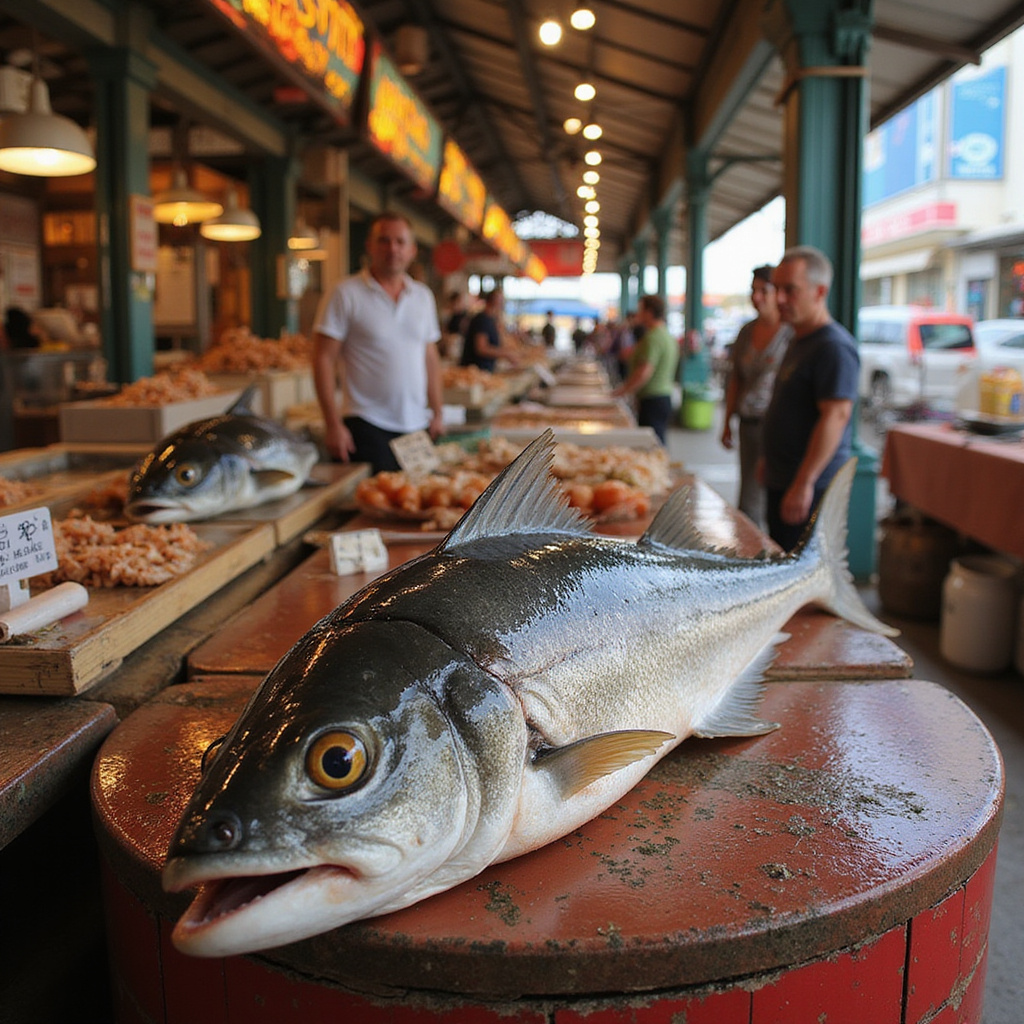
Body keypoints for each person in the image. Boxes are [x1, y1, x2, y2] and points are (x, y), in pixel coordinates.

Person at [312, 211, 444, 474]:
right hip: (366, 424)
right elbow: (322, 359)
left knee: (418, 504)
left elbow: (429, 356)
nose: (392, 248)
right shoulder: (345, 293)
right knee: (375, 508)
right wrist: (332, 424)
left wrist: (437, 411)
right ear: (369, 246)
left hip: (417, 426)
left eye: (400, 242)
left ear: (412, 250)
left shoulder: (422, 296)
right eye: (384, 240)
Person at [760, 245, 860, 551]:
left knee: (802, 579)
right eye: (777, 289)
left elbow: (836, 416)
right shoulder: (798, 337)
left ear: (819, 292)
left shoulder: (833, 347)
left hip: (808, 488)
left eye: (790, 290)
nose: (779, 299)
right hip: (783, 478)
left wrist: (804, 483)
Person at [719, 265, 793, 528]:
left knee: (776, 497)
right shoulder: (746, 332)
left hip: (781, 429)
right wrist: (727, 421)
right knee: (749, 497)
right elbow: (736, 380)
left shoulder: (790, 333)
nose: (757, 297)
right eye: (753, 291)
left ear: (778, 294)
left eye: (764, 290)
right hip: (750, 426)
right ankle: (750, 556)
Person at [612, 293, 679, 444]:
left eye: (641, 310)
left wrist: (624, 390)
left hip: (652, 399)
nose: (638, 315)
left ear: (649, 312)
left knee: (652, 446)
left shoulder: (653, 338)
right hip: (663, 396)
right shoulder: (666, 335)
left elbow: (644, 372)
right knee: (658, 441)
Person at [459, 289, 519, 372]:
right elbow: (481, 348)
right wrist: (506, 354)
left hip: (485, 369)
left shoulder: (491, 320)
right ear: (494, 302)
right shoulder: (482, 320)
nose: (503, 305)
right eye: (501, 301)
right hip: (476, 370)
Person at [441, 290, 470, 360]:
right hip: (449, 343)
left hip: (459, 345)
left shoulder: (464, 316)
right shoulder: (449, 315)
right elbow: (445, 330)